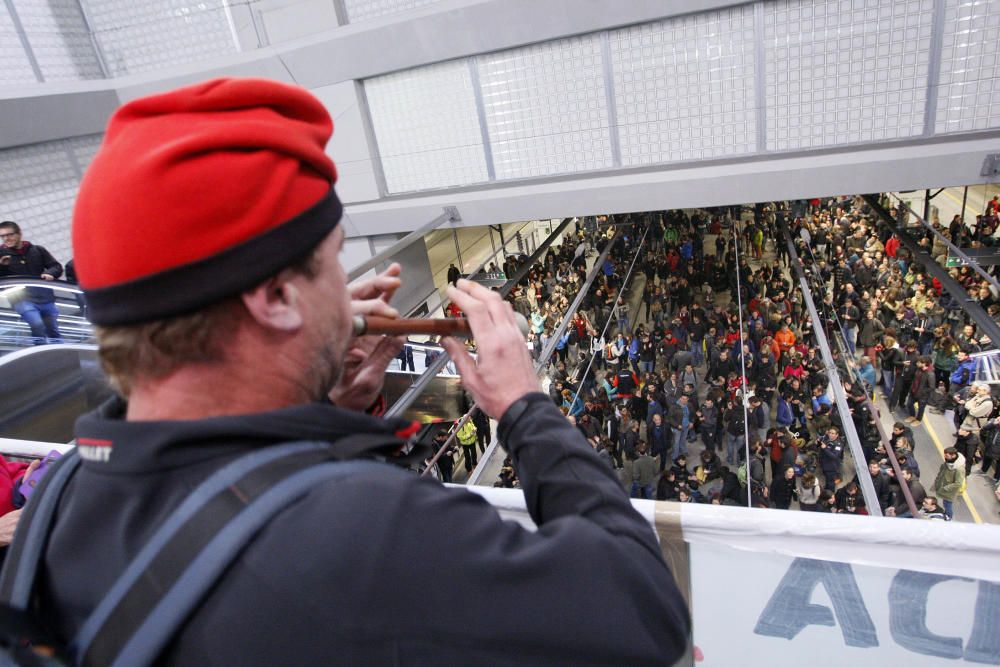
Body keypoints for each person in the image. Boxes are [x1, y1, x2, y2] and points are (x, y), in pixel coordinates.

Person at [33, 79, 689, 663]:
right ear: (276, 297)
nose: (345, 290)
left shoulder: (60, 495)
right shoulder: (363, 534)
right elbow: (644, 611)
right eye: (331, 261)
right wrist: (525, 405)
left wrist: (324, 409)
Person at [0, 221, 64, 345]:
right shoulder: (1, 254)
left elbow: (56, 267)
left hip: (45, 297)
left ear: (20, 234)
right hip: (21, 299)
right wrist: (2, 266)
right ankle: (41, 353)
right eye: (3, 236)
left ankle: (62, 355)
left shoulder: (37, 250)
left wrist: (50, 273)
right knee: (37, 324)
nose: (6, 239)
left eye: (10, 235)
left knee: (53, 330)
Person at [933, 447, 966, 520]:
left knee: (948, 505)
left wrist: (946, 488)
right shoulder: (949, 462)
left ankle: (949, 517)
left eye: (947, 456)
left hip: (949, 491)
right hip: (944, 486)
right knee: (946, 503)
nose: (945, 457)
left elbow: (958, 483)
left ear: (953, 456)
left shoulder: (959, 469)